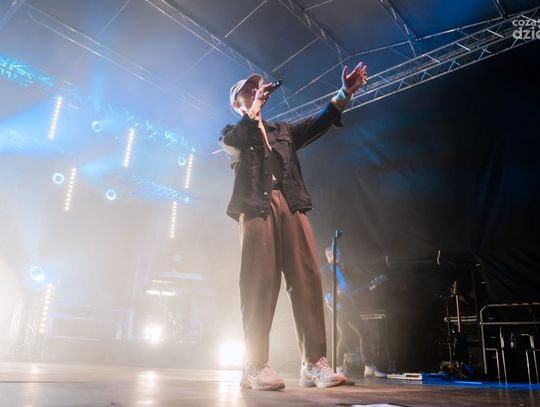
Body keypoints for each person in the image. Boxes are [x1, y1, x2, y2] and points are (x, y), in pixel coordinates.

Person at [219, 62, 368, 391]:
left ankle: (313, 363)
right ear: (235, 102)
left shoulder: (282, 131)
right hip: (255, 206)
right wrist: (254, 110)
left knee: (307, 277)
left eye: (257, 87)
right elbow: (239, 141)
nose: (255, 91)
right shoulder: (232, 133)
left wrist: (345, 92)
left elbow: (320, 121)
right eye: (247, 90)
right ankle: (255, 364)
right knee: (259, 281)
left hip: (291, 201)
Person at [321, 245, 386, 379]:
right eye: (336, 252)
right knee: (345, 334)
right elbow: (325, 290)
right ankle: (338, 367)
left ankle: (368, 367)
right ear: (329, 256)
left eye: (340, 252)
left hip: (349, 306)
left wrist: (370, 287)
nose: (339, 254)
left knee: (364, 333)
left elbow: (350, 291)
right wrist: (334, 301)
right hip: (337, 306)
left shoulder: (342, 270)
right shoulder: (325, 271)